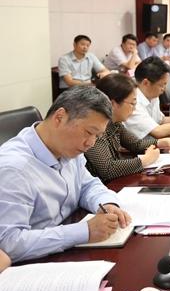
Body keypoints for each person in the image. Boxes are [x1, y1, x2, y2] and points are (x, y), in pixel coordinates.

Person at [0, 86, 131, 262]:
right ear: (59, 117)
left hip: (68, 250)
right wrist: (83, 231)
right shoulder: (13, 168)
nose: (91, 143)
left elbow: (87, 184)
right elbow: (9, 243)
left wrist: (106, 203)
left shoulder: (67, 148)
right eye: (89, 132)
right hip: (34, 264)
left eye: (97, 136)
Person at [85, 74, 170, 182]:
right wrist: (144, 160)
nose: (134, 109)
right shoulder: (96, 128)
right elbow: (108, 169)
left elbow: (136, 144)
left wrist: (164, 142)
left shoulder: (116, 124)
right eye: (132, 103)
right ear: (112, 104)